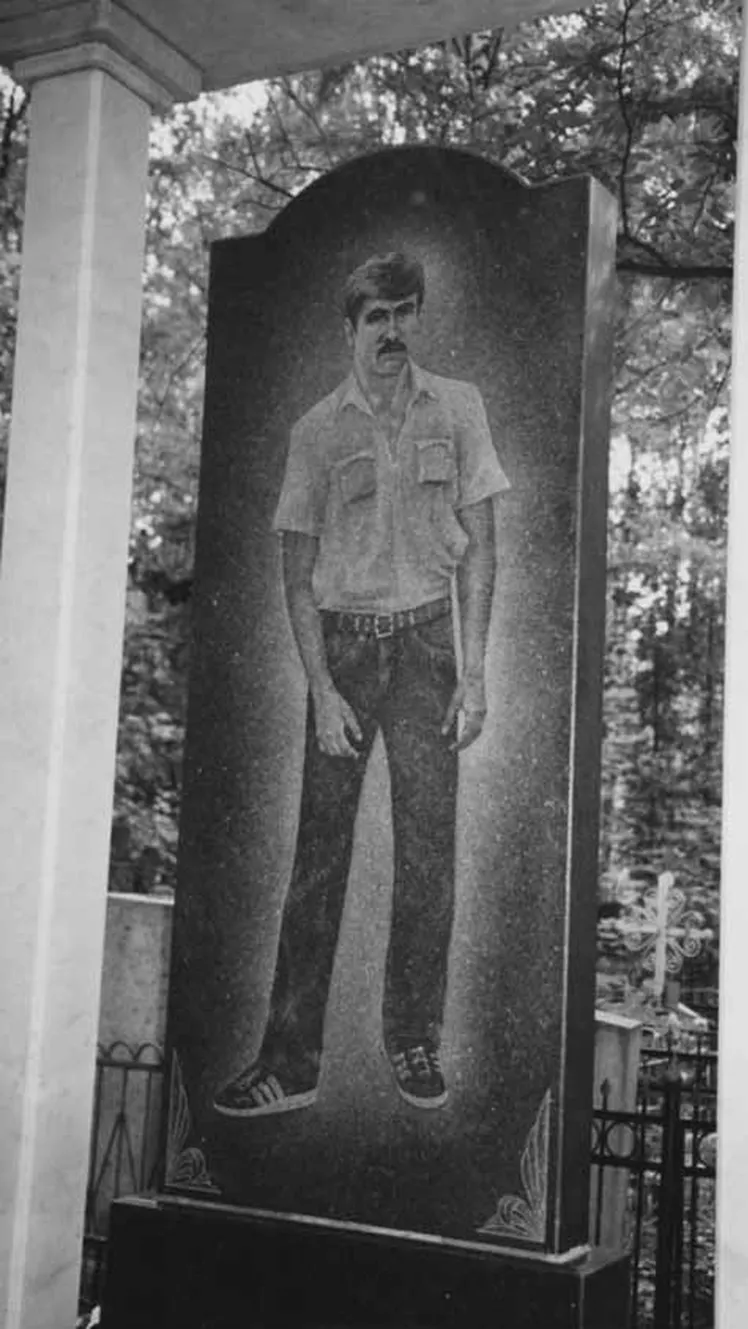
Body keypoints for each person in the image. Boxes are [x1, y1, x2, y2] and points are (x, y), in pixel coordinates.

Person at [214, 252, 509, 1117]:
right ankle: (289, 1060)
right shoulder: (316, 430)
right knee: (318, 860)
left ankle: (413, 1038)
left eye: (405, 312)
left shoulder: (458, 407)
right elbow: (295, 572)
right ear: (350, 328)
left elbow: (482, 549)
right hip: (344, 654)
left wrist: (475, 672)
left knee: (428, 855)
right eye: (377, 316)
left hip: (427, 649)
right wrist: (321, 687)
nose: (393, 330)